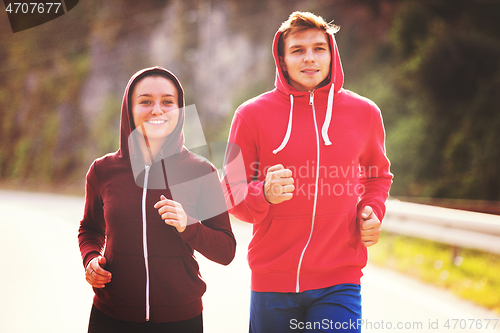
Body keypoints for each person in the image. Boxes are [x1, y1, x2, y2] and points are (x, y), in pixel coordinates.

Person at [223, 11, 393, 332]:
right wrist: (264, 194)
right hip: (271, 281)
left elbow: (377, 175)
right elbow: (232, 191)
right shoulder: (249, 116)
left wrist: (372, 210)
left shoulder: (365, 113)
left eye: (319, 48)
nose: (310, 58)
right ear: (282, 60)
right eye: (298, 50)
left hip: (339, 279)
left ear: (332, 54)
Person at [78, 66, 236, 333]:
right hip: (111, 315)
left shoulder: (200, 171)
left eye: (167, 102)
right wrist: (91, 258)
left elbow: (226, 250)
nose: (157, 110)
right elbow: (90, 229)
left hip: (181, 318)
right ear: (129, 108)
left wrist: (190, 226)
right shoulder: (102, 171)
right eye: (146, 101)